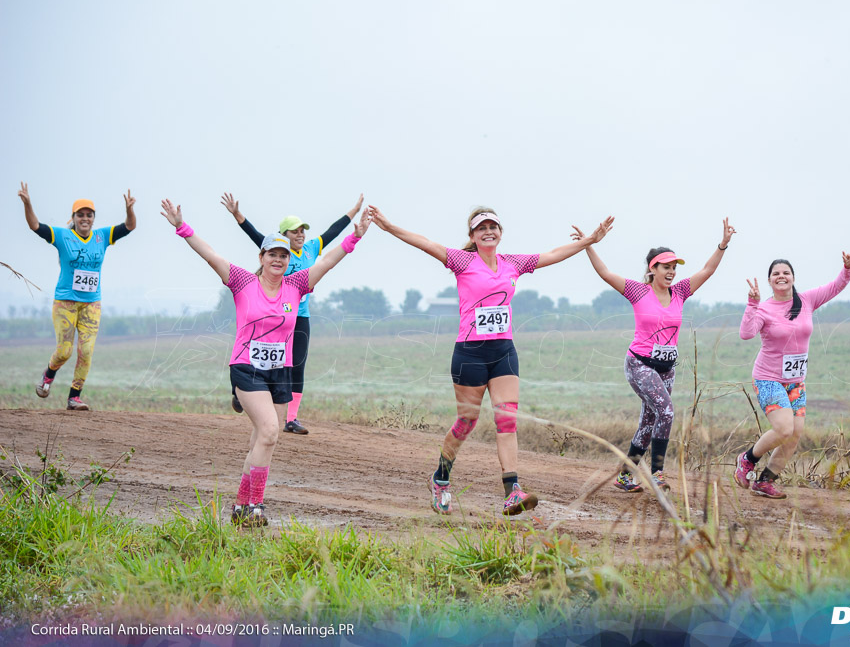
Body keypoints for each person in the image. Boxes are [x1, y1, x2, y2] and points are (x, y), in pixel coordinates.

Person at [368, 204, 613, 516]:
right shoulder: (462, 260)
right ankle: (441, 477)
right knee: (466, 422)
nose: (488, 231)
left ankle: (512, 491)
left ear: (500, 233)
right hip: (470, 354)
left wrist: (590, 240)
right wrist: (388, 226)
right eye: (481, 227)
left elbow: (552, 255)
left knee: (506, 419)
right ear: (472, 235)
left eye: (493, 227)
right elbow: (424, 242)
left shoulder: (512, 263)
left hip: (503, 352)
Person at [161, 198, 371, 527]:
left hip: (279, 373)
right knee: (271, 431)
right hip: (246, 368)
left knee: (261, 439)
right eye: (272, 253)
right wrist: (181, 227)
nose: (278, 259)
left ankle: (240, 505)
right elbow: (210, 254)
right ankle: (255, 505)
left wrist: (354, 237)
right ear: (261, 257)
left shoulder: (297, 285)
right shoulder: (243, 282)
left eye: (283, 255)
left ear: (290, 260)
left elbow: (328, 261)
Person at [578, 218, 736, 492]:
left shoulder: (680, 292)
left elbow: (708, 270)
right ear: (653, 269)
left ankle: (626, 475)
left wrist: (723, 244)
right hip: (639, 364)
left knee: (650, 420)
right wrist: (589, 243)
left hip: (666, 369)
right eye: (667, 267)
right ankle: (658, 473)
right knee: (666, 411)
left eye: (674, 267)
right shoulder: (639, 291)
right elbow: (605, 273)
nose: (672, 272)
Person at [219, 192, 364, 435]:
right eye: (295, 231)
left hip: (299, 316)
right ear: (283, 236)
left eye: (302, 230)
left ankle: (292, 419)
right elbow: (252, 232)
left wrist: (355, 210)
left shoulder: (311, 249)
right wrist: (237, 214)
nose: (300, 234)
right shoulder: (277, 251)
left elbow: (333, 231)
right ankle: (239, 388)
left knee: (297, 364)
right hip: (269, 315)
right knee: (255, 355)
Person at [734, 252, 850, 498]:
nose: (781, 276)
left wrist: (847, 267)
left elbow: (837, 286)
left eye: (785, 273)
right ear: (770, 281)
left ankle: (765, 481)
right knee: (783, 429)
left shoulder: (807, 300)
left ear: (793, 278)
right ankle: (747, 459)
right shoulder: (765, 308)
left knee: (795, 432)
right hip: (768, 378)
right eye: (775, 274)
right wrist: (752, 303)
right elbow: (746, 333)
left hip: (796, 381)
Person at [18, 182, 137, 410]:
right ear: (73, 217)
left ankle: (74, 396)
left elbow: (129, 227)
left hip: (92, 304)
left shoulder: (102, 237)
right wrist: (28, 203)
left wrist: (129, 209)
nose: (85, 218)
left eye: (89, 215)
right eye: (80, 215)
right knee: (64, 351)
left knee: (87, 351)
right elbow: (34, 225)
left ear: (94, 218)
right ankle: (48, 375)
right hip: (65, 303)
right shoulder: (63, 236)